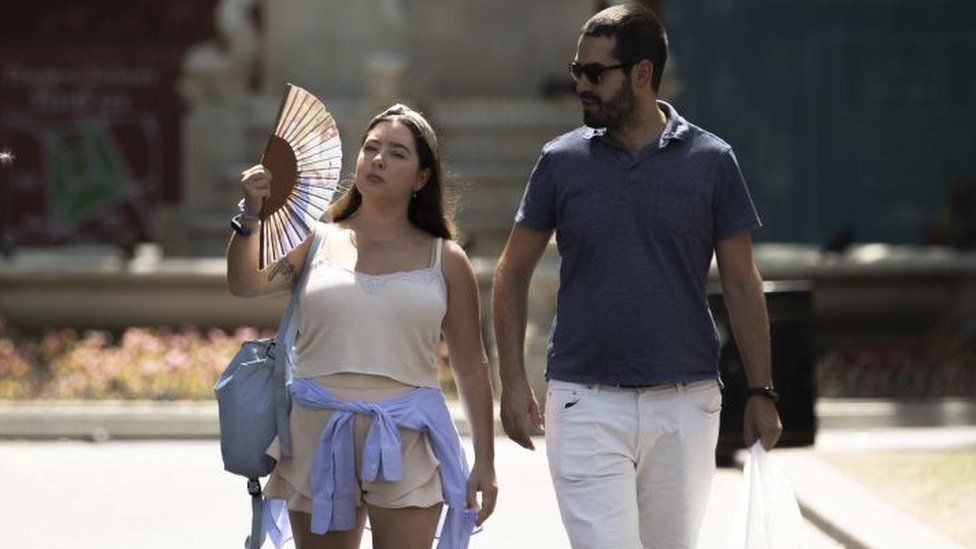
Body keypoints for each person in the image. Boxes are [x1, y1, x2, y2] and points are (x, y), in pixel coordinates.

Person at [492, 4, 782, 548]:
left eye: (595, 73)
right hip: (584, 402)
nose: (581, 84)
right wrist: (510, 380)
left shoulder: (712, 161)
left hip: (686, 401)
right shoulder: (560, 162)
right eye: (577, 70)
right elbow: (511, 273)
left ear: (642, 74)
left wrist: (762, 391)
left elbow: (743, 283)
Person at [227, 104, 497, 549]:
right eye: (371, 148)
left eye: (396, 153)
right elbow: (243, 283)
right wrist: (250, 217)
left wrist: (485, 461)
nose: (378, 160)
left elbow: (471, 366)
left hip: (406, 436)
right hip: (315, 432)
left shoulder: (446, 259)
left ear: (422, 178)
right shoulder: (315, 240)